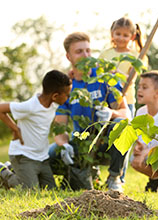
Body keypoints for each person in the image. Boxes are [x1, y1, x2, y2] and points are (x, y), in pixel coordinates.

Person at [48, 32, 131, 192]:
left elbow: (126, 113)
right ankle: (81, 174)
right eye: (79, 52)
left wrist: (110, 113)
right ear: (68, 57)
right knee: (53, 153)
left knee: (122, 125)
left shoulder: (105, 78)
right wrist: (64, 145)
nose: (85, 55)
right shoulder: (67, 88)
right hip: (82, 145)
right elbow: (59, 128)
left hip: (106, 145)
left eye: (88, 50)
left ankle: (114, 178)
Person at [0, 70, 71, 189]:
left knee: (51, 190)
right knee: (31, 191)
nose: (68, 98)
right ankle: (3, 172)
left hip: (42, 158)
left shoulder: (53, 105)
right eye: (67, 95)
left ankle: (14, 168)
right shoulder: (30, 106)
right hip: (23, 156)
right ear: (55, 96)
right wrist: (15, 129)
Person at [99, 16, 148, 118]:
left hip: (126, 101)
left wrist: (116, 73)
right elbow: (97, 75)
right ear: (112, 33)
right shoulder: (105, 54)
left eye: (125, 35)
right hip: (106, 101)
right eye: (118, 34)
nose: (121, 38)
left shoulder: (135, 56)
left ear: (132, 37)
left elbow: (130, 81)